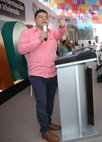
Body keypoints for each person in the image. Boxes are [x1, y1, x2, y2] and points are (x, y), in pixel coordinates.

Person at [18, 9, 67, 142]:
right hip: (37, 74)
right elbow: (21, 49)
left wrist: (62, 26)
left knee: (50, 102)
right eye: (40, 17)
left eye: (46, 17)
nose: (44, 19)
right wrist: (39, 40)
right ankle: (44, 130)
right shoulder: (26, 33)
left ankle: (48, 122)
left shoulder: (52, 33)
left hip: (52, 72)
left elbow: (60, 33)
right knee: (42, 103)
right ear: (35, 20)